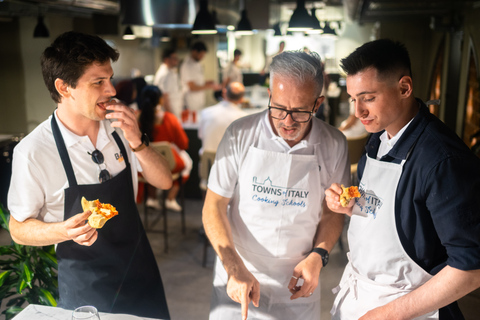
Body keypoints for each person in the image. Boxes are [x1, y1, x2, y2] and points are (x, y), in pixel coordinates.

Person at [7, 31, 172, 319]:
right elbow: (18, 229)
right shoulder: (33, 151)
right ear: (64, 87)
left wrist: (137, 141)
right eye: (98, 82)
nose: (111, 90)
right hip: (88, 289)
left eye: (109, 78)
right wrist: (63, 231)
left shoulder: (120, 125)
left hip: (140, 273)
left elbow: (164, 181)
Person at [325, 39, 480, 320]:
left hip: (412, 310)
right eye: (353, 99)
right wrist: (353, 204)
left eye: (368, 98)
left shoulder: (442, 161)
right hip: (364, 299)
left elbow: (471, 269)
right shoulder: (378, 139)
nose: (358, 111)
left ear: (404, 88)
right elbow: (396, 209)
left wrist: (388, 314)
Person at [203, 50, 350, 320]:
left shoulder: (334, 143)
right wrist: (233, 267)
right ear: (270, 95)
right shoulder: (240, 134)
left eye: (299, 111)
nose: (288, 121)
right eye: (280, 108)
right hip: (240, 272)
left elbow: (332, 212)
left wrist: (319, 256)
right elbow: (214, 204)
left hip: (298, 280)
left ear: (317, 104)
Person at [139, 85, 192, 212]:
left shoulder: (136, 118)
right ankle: (171, 199)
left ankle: (152, 198)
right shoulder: (169, 118)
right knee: (188, 162)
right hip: (169, 164)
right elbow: (184, 144)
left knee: (150, 164)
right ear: (160, 100)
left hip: (142, 166)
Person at [180, 41, 221, 113]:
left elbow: (197, 82)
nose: (202, 57)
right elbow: (192, 87)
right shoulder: (187, 65)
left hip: (199, 99)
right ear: (194, 52)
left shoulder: (197, 64)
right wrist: (209, 86)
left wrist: (207, 82)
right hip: (191, 101)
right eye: (201, 55)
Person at [153, 48, 183, 119]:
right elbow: (164, 98)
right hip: (169, 114)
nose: (176, 60)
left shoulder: (170, 72)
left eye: (176, 58)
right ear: (166, 59)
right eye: (174, 58)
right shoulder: (164, 74)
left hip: (175, 111)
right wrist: (171, 118)